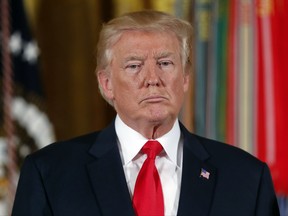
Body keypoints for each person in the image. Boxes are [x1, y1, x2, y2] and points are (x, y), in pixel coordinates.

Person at [12, 10, 279, 216]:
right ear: (106, 83)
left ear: (185, 78)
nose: (153, 78)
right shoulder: (49, 173)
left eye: (165, 63)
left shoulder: (246, 178)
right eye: (134, 66)